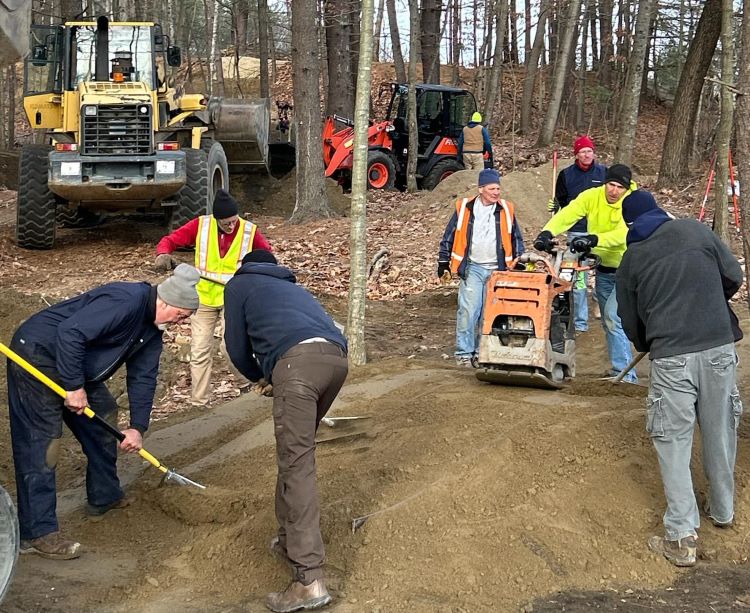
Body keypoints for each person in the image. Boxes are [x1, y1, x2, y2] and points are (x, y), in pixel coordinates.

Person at [8, 264, 200, 560]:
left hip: (75, 366)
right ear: (166, 302)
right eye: (181, 315)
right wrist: (74, 387)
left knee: (103, 420)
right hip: (38, 355)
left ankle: (104, 496)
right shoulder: (125, 301)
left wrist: (137, 427)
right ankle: (37, 533)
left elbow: (144, 377)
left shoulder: (152, 332)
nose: (180, 322)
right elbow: (70, 332)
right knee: (42, 444)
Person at [616, 190, 743, 567]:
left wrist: (646, 339)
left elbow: (631, 322)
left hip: (672, 356)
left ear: (629, 226)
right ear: (659, 211)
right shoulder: (695, 231)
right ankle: (723, 511)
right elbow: (733, 276)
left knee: (673, 441)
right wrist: (711, 302)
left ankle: (682, 536)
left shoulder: (631, 259)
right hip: (719, 347)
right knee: (720, 427)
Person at [223, 249, 348, 612]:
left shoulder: (239, 284)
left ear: (243, 267)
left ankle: (308, 580)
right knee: (295, 457)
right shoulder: (292, 287)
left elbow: (236, 347)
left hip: (296, 366)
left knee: (297, 465)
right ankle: (287, 541)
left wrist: (260, 376)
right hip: (336, 361)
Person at [154, 189, 272, 408]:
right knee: (199, 351)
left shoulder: (248, 231)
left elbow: (267, 256)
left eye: (234, 221)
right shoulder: (201, 226)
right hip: (203, 298)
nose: (231, 226)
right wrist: (163, 253)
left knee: (232, 347)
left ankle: (248, 386)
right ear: (216, 219)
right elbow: (171, 240)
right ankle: (199, 404)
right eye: (226, 223)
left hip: (233, 298)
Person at [533, 163, 637, 382]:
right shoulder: (592, 196)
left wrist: (594, 239)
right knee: (610, 322)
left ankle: (627, 376)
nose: (613, 191)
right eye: (611, 184)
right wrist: (547, 231)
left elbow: (625, 233)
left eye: (619, 187)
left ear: (626, 189)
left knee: (612, 316)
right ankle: (620, 368)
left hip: (629, 269)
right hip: (603, 269)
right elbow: (569, 213)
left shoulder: (633, 201)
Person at [438, 168, 525, 367]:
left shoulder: (506, 209)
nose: (497, 192)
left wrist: (518, 261)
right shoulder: (464, 208)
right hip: (473, 268)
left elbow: (516, 237)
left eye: (498, 188)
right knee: (469, 311)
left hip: (498, 270)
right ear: (481, 189)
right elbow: (449, 236)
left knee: (489, 314)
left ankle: (482, 353)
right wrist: (443, 261)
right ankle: (464, 354)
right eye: (492, 188)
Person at [547, 135, 607, 332]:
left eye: (589, 151)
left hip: (600, 232)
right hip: (577, 233)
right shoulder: (566, 175)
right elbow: (563, 206)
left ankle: (600, 304)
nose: (587, 154)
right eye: (583, 151)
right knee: (579, 278)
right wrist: (556, 209)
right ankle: (581, 322)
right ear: (576, 155)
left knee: (603, 274)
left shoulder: (604, 173)